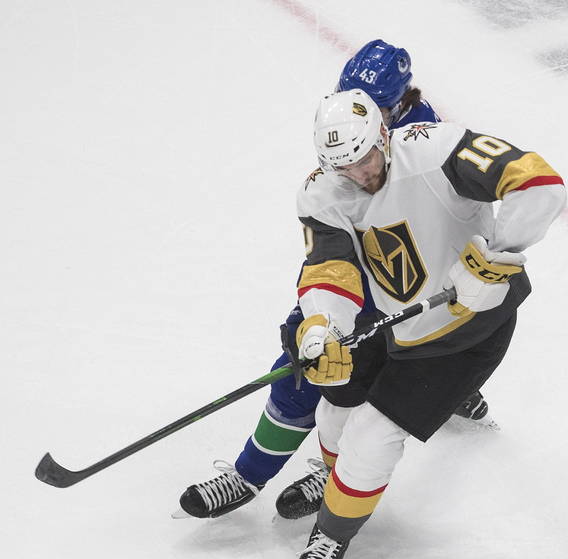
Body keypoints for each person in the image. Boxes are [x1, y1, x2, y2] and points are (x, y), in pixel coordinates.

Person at [177, 38, 489, 521]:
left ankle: (334, 471)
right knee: (303, 360)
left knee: (354, 388)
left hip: (397, 286)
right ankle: (249, 473)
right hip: (350, 273)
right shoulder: (354, 126)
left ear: (402, 102)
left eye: (378, 108)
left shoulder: (425, 143)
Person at [282, 86, 565, 559]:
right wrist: (322, 325)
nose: (361, 175)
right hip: (396, 321)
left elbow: (541, 184)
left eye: (366, 158)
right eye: (344, 168)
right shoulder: (323, 190)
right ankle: (332, 478)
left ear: (383, 135)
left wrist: (497, 258)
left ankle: (330, 536)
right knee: (335, 411)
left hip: (468, 333)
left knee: (371, 438)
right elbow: (330, 266)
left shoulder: (437, 149)